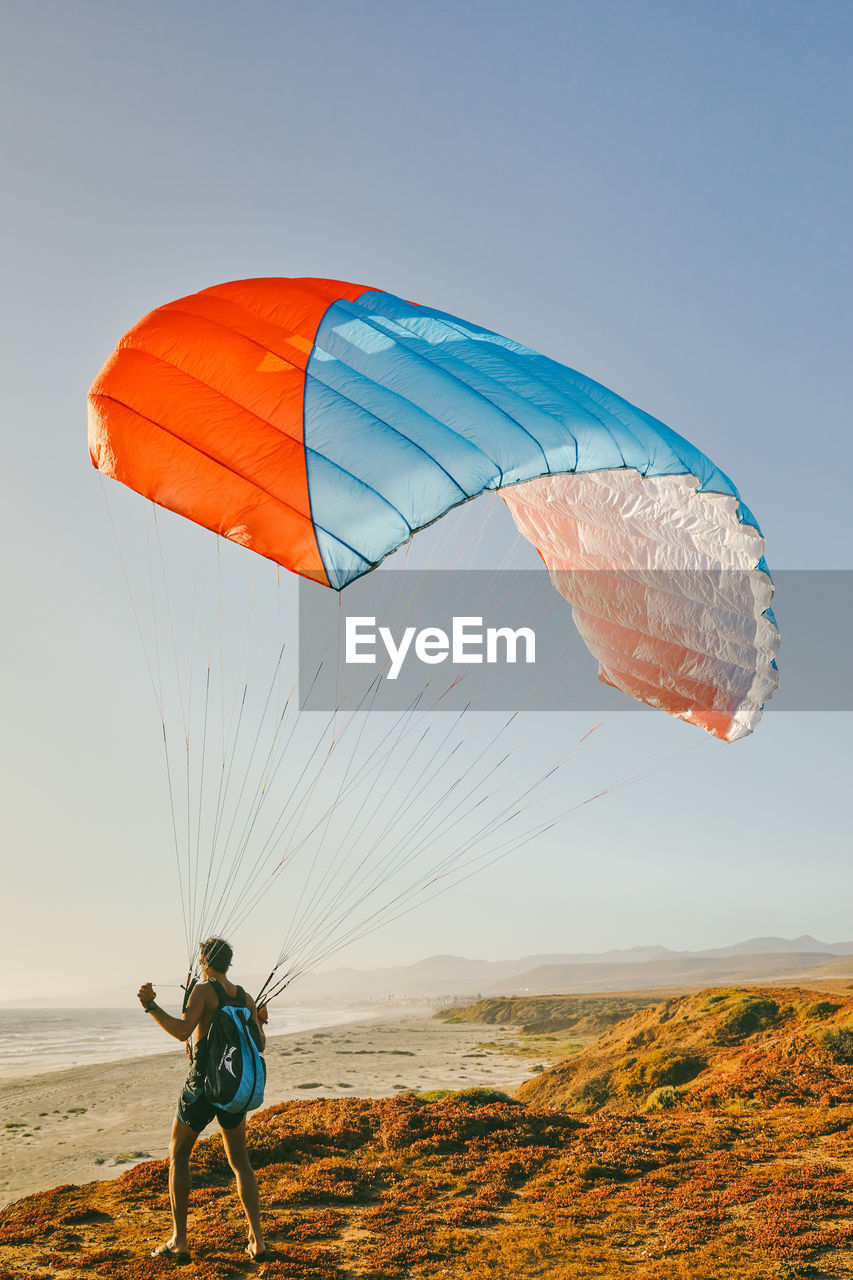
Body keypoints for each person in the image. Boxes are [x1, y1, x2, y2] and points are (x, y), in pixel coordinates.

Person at [137, 937, 269, 1264]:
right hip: (233, 1088)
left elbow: (183, 1031)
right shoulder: (246, 998)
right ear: (229, 962)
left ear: (205, 960)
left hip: (202, 1087)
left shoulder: (204, 991)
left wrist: (151, 1006)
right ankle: (258, 1242)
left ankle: (179, 1241)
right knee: (240, 1162)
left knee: (179, 1153)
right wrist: (260, 1020)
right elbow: (260, 1043)